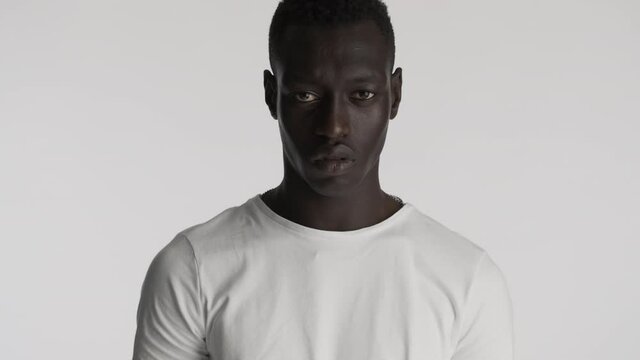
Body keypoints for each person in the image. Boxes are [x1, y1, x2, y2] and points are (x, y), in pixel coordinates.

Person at [132, 0, 515, 359]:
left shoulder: (466, 280)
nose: (333, 126)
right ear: (271, 95)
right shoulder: (194, 268)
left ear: (394, 95)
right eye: (305, 95)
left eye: (361, 94)